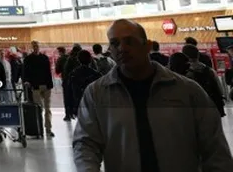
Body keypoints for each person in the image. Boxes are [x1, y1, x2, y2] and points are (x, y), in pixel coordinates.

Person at [73, 19, 233, 171]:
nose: (122, 48)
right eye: (115, 43)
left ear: (147, 45)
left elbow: (215, 148)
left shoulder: (187, 90)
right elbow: (86, 143)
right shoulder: (97, 93)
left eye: (129, 41)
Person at [181, 44, 225, 116]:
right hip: (211, 106)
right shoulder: (209, 70)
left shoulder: (184, 73)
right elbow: (220, 90)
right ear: (198, 55)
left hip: (194, 109)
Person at [22, 40, 54, 137]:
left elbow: (48, 72)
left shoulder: (44, 58)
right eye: (34, 46)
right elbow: (25, 72)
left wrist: (50, 84)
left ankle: (48, 129)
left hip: (46, 85)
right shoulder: (28, 59)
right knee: (38, 109)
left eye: (37, 46)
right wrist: (27, 81)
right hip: (35, 86)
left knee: (48, 108)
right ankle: (39, 129)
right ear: (32, 47)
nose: (36, 47)